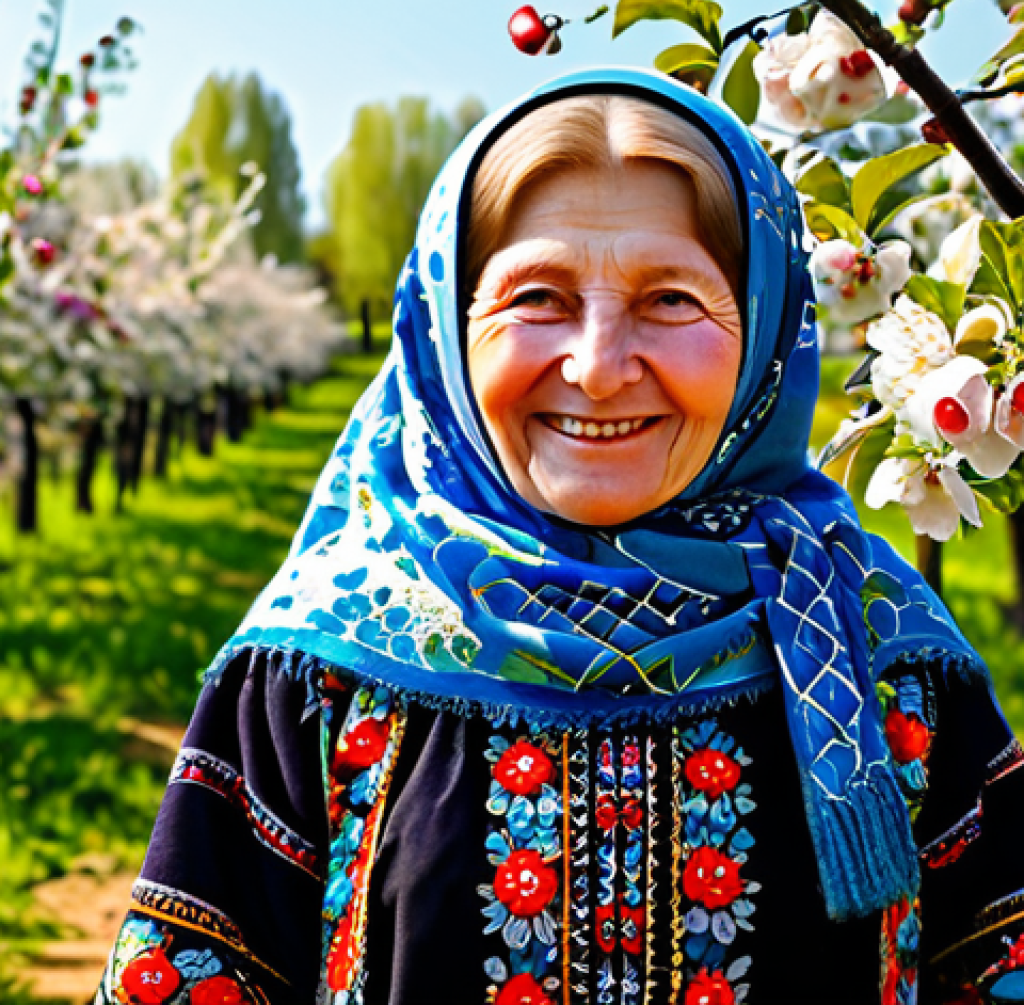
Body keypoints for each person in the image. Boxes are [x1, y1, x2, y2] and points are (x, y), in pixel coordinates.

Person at [95, 67, 1024, 1005]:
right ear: (447, 331)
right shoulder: (320, 670)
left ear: (770, 329)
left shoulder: (883, 656)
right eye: (536, 297)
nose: (598, 366)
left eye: (672, 299)